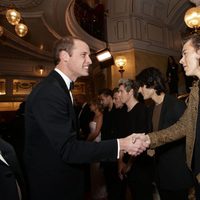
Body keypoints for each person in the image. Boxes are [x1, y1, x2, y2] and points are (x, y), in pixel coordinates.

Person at [24, 36, 148, 200]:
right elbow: (68, 149)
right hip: (54, 187)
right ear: (64, 56)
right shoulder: (50, 92)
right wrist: (122, 144)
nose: (89, 60)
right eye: (84, 55)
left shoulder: (57, 88)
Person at [133, 33, 200, 197]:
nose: (181, 61)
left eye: (185, 53)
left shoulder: (177, 103)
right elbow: (184, 126)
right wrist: (149, 139)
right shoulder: (196, 91)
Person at [136, 67, 194, 200]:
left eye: (142, 86)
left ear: (153, 84)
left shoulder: (176, 105)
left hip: (177, 174)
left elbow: (187, 136)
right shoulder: (150, 109)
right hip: (160, 175)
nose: (139, 90)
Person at [117, 79, 154, 200]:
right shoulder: (122, 112)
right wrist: (120, 162)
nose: (118, 94)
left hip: (141, 165)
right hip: (126, 165)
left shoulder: (142, 110)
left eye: (121, 91)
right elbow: (120, 140)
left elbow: (141, 142)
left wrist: (129, 165)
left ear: (130, 92)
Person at [87, 98, 107, 200]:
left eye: (91, 104)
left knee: (98, 171)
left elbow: (96, 132)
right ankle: (95, 194)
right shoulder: (94, 115)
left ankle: (101, 195)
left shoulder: (100, 116)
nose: (90, 106)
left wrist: (86, 143)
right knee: (93, 171)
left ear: (96, 105)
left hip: (97, 144)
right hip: (92, 144)